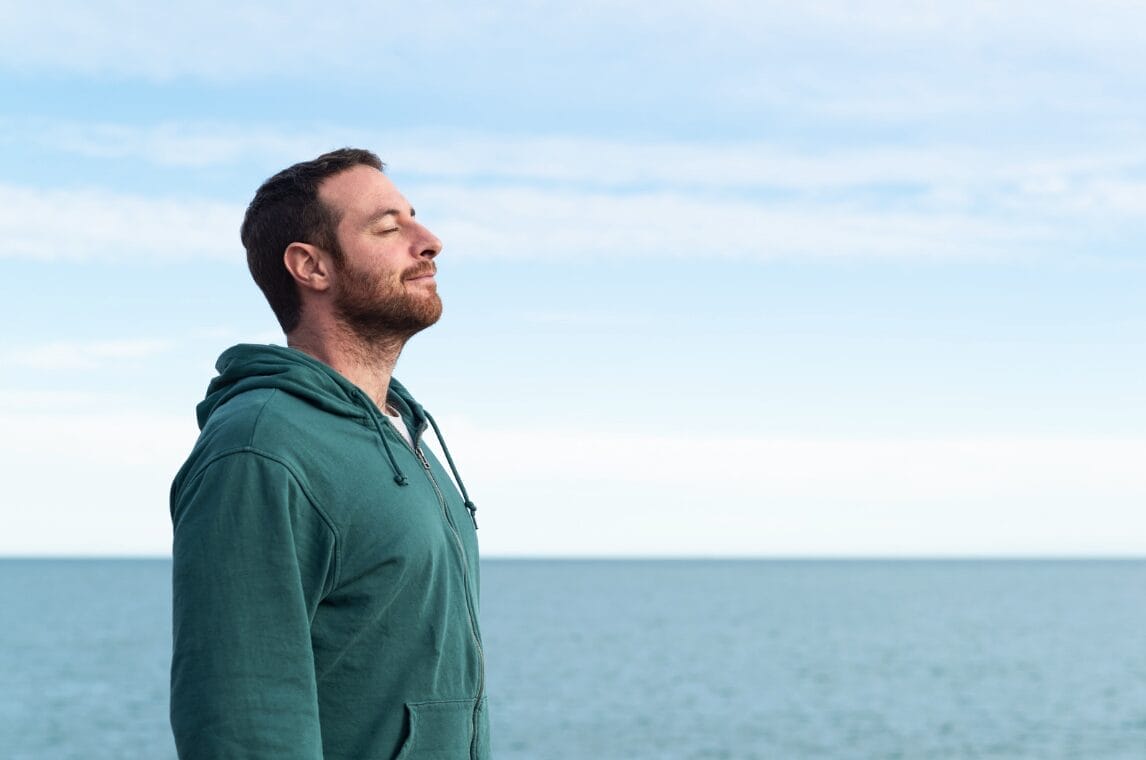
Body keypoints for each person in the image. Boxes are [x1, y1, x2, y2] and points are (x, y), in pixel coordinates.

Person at [169, 148, 489, 759]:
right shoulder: (260, 448)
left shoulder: (401, 434)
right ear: (311, 266)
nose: (430, 241)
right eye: (389, 228)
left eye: (415, 219)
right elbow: (243, 724)